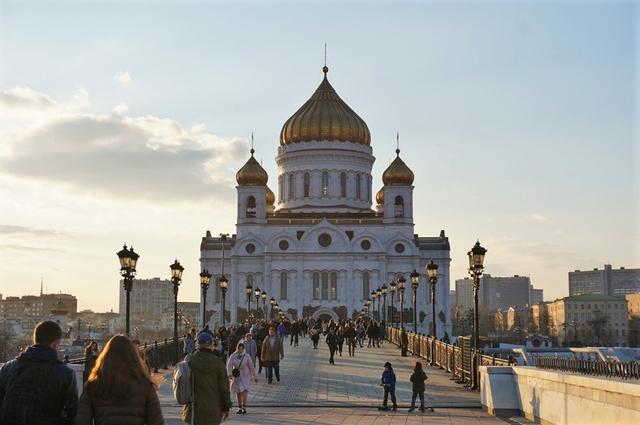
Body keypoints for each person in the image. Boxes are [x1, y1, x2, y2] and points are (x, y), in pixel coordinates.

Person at [0, 320, 78, 424]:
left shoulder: (8, 368)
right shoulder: (65, 373)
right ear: (56, 344)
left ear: (35, 340)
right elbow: (73, 413)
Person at [74, 335, 163, 425]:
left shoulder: (93, 386)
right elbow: (156, 421)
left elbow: (82, 420)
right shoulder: (145, 386)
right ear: (133, 358)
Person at [182, 331, 232, 425]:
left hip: (194, 409)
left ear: (197, 345)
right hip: (213, 408)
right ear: (210, 344)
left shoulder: (190, 360)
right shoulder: (218, 363)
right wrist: (226, 407)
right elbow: (224, 388)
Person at [226, 342, 257, 414]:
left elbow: (251, 366)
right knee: (238, 392)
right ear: (237, 348)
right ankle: (239, 407)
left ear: (244, 349)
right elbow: (229, 365)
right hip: (237, 376)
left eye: (242, 349)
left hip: (245, 376)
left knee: (244, 391)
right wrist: (230, 374)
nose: (240, 350)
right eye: (239, 349)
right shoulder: (233, 355)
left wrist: (254, 376)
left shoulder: (247, 356)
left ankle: (244, 407)